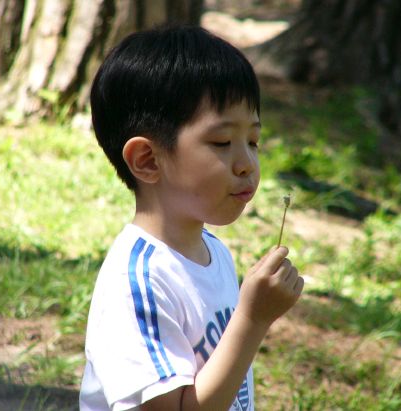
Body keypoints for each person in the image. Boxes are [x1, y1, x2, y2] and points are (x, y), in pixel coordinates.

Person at [79, 25, 304, 411]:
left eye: (253, 142)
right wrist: (252, 318)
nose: (247, 164)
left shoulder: (214, 252)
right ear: (148, 160)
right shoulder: (138, 284)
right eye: (221, 143)